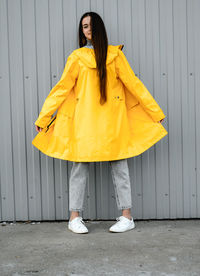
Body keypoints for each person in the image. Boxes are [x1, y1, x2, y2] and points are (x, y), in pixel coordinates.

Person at [33, 12, 167, 234]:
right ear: (81, 31)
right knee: (79, 166)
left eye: (92, 25)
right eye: (84, 26)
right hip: (84, 122)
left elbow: (134, 83)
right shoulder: (76, 57)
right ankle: (74, 217)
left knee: (120, 166)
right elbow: (62, 88)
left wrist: (155, 111)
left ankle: (127, 216)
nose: (88, 29)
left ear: (100, 28)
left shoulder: (115, 56)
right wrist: (44, 116)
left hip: (113, 122)